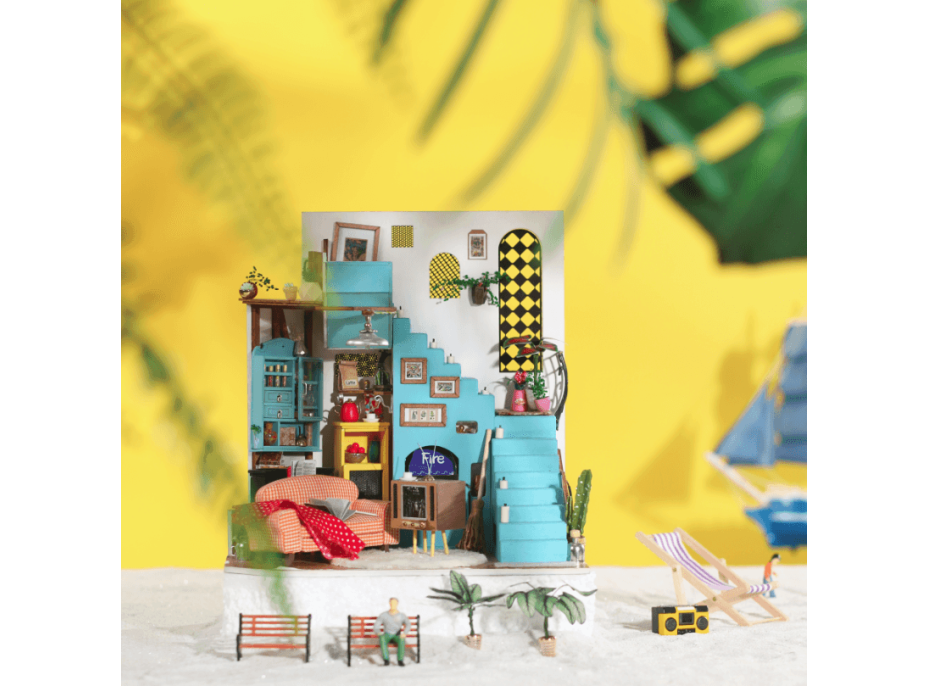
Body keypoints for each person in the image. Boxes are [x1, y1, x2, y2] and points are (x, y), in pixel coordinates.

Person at [373, 597, 409, 666]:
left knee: (402, 639)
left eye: (395, 603)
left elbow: (408, 624)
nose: (393, 605)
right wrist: (378, 632)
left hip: (397, 635)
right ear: (389, 604)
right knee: (382, 638)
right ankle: (386, 660)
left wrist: (405, 633)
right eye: (391, 603)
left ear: (397, 604)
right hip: (387, 634)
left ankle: (400, 660)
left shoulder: (402, 615)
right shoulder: (383, 615)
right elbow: (376, 626)